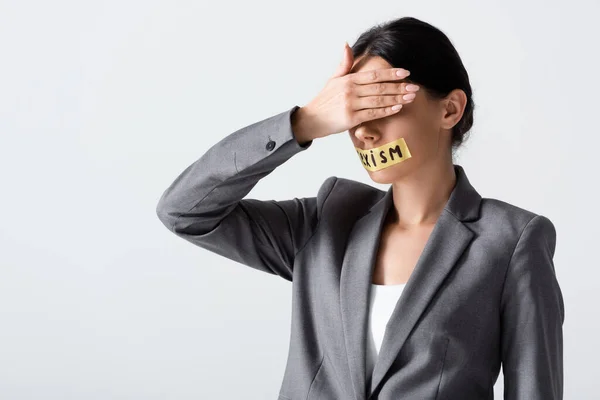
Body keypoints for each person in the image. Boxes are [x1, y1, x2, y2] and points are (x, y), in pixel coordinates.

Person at [156, 16, 564, 400]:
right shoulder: (325, 222)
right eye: (353, 109)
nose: (363, 131)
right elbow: (184, 211)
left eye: (381, 104)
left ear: (449, 109)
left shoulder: (510, 242)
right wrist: (303, 123)